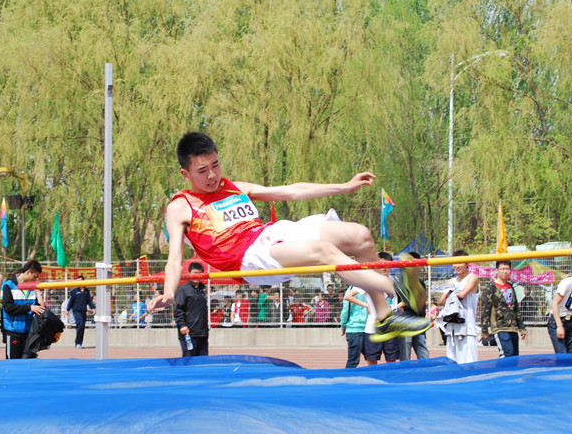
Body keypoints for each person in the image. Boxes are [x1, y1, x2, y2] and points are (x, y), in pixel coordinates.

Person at [148, 132, 429, 341]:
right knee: (324, 251)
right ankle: (399, 289)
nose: (212, 175)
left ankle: (383, 316)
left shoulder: (233, 187)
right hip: (249, 258)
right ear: (185, 173)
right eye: (202, 170)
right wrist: (169, 293)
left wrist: (344, 186)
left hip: (271, 234)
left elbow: (293, 190)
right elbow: (175, 260)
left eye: (216, 165)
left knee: (360, 236)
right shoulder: (180, 207)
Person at [437, 250, 480, 363]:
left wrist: (450, 293)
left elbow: (462, 294)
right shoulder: (452, 280)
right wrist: (449, 293)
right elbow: (441, 301)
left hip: (467, 329)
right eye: (454, 263)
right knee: (452, 363)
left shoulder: (472, 278)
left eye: (460, 262)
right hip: (452, 329)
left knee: (468, 365)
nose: (457, 266)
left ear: (467, 263)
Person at [358, 252, 401, 365]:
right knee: (371, 360)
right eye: (381, 264)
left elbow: (407, 298)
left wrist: (397, 308)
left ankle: (389, 376)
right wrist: (366, 305)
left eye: (387, 265)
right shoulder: (370, 282)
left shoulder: (396, 282)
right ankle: (373, 377)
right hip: (373, 328)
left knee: (391, 360)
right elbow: (349, 296)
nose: (384, 268)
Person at [480, 260, 526, 358]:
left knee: (514, 356)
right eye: (502, 269)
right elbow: (485, 309)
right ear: (497, 270)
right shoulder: (490, 288)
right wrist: (484, 329)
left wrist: (521, 328)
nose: (505, 271)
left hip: (512, 327)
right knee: (507, 353)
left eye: (507, 269)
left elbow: (516, 309)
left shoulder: (511, 287)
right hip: (500, 327)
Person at [0, 260, 45, 359]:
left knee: (29, 362)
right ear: (28, 272)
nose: (36, 280)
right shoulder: (9, 286)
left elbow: (40, 308)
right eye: (35, 277)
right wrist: (29, 308)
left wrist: (38, 293)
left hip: (29, 333)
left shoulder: (32, 288)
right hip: (13, 332)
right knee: (13, 363)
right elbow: (8, 308)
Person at [173, 262, 209, 356]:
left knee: (203, 361)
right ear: (189, 273)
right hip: (188, 333)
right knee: (189, 360)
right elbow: (178, 310)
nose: (197, 275)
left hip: (202, 333)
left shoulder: (202, 290)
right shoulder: (183, 289)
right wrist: (182, 325)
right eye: (195, 273)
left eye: (199, 273)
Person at [399, 251, 429, 361]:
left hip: (419, 321)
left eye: (417, 265)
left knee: (422, 350)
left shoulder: (420, 282)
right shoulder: (400, 281)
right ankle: (405, 370)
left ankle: (426, 368)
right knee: (405, 353)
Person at [340, 286, 369, 368]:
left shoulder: (351, 289)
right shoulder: (370, 287)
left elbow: (346, 310)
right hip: (368, 328)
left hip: (354, 328)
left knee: (353, 361)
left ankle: (348, 376)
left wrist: (343, 325)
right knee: (371, 359)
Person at [548, 275, 572, 354]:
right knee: (562, 355)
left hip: (570, 321)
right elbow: (554, 303)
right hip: (558, 321)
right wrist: (559, 326)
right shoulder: (568, 282)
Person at [65, 275, 95, 349]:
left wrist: (92, 308)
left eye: (80, 281)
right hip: (76, 311)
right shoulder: (74, 291)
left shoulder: (86, 291)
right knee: (80, 324)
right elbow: (71, 301)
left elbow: (89, 300)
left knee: (82, 327)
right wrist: (67, 309)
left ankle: (79, 343)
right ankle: (78, 342)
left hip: (83, 311)